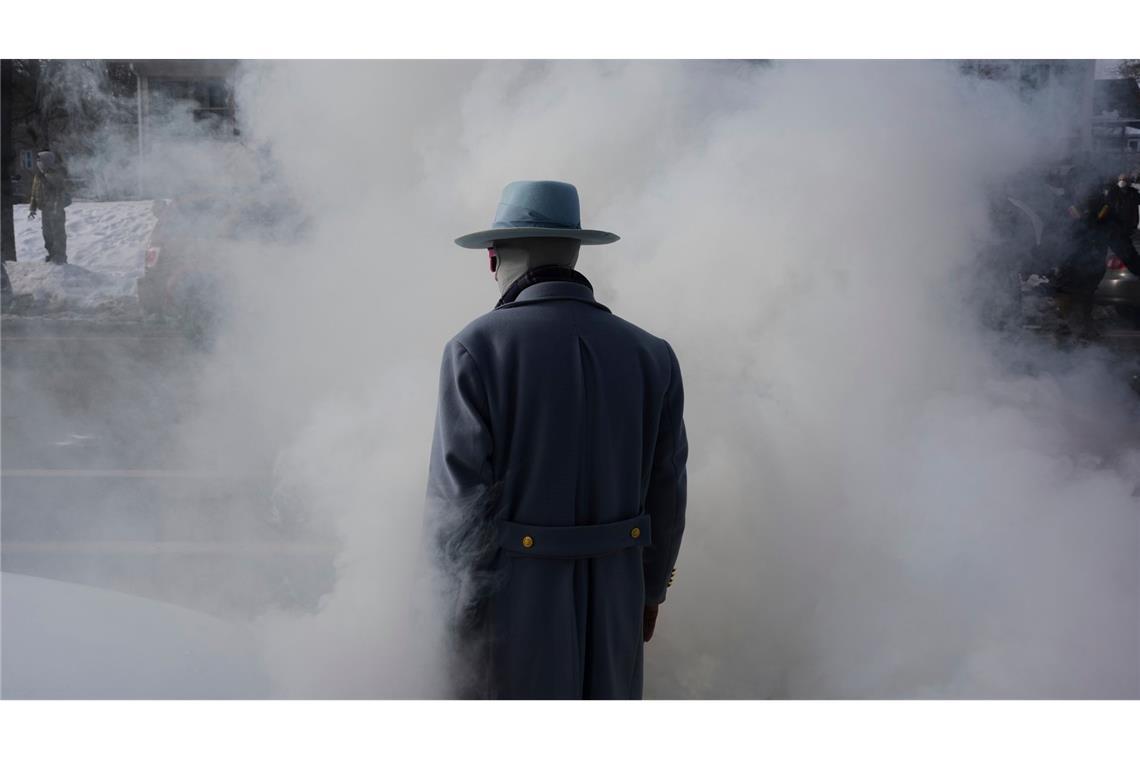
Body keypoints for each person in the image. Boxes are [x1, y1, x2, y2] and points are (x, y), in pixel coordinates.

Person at [426, 180, 688, 699]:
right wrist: (650, 590)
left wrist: (448, 618)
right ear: (574, 253)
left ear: (496, 258)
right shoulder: (652, 354)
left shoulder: (475, 349)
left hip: (511, 604)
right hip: (619, 592)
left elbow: (456, 504)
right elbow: (668, 490)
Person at [27, 149, 71, 264]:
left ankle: (60, 256)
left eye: (40, 161)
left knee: (58, 234)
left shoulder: (55, 175)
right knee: (47, 234)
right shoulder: (38, 176)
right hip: (45, 211)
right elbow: (34, 193)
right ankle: (51, 254)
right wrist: (32, 208)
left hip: (56, 211)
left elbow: (61, 192)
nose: (38, 163)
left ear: (47, 162)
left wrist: (57, 206)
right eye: (37, 161)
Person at [1103, 172, 1140, 276]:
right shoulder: (1112, 193)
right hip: (1114, 228)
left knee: (1129, 254)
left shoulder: (1133, 194)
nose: (1122, 181)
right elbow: (1106, 209)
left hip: (1126, 228)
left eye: (1124, 179)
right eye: (1121, 179)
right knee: (1127, 254)